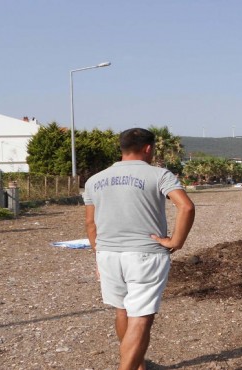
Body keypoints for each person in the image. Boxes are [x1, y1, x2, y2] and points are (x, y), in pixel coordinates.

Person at [84, 128, 195, 370]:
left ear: (122, 148)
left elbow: (91, 224)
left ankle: (138, 365)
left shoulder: (94, 180)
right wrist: (175, 241)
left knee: (122, 310)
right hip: (145, 254)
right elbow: (185, 207)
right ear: (148, 148)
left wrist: (99, 257)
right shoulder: (159, 175)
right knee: (141, 318)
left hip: (107, 254)